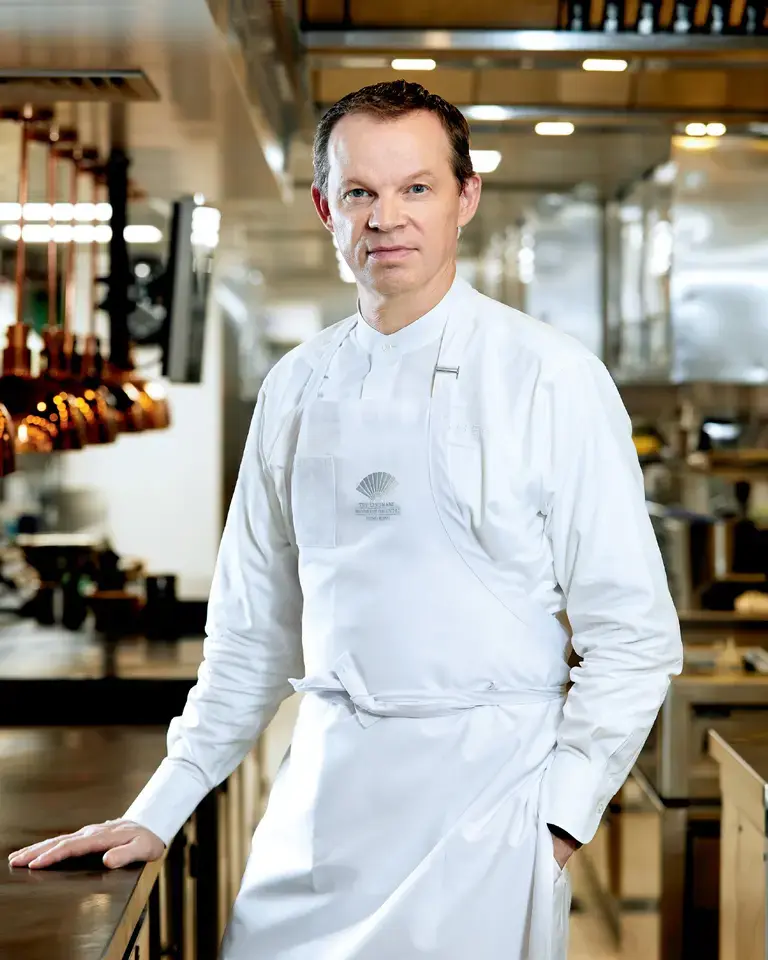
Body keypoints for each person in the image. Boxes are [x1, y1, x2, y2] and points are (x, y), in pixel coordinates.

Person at [9, 81, 682, 959]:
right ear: (327, 206)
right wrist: (159, 808)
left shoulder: (550, 376)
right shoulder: (295, 386)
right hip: (322, 809)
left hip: (490, 812)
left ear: (464, 198)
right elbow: (250, 634)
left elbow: (634, 635)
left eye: (416, 188)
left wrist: (556, 825)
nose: (386, 218)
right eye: (360, 192)